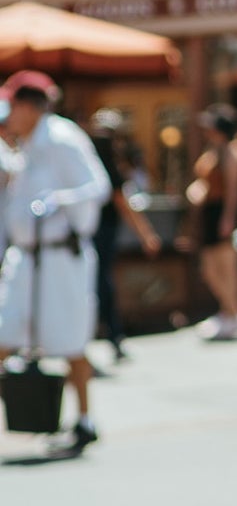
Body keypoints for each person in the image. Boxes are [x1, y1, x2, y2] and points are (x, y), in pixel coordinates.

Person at [0, 72, 111, 453]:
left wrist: (58, 199)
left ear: (29, 107)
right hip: (25, 258)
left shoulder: (62, 137)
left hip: (60, 257)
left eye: (11, 106)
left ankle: (84, 419)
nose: (7, 115)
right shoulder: (25, 144)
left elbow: (98, 187)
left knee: (69, 340)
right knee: (5, 332)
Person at [87, 109, 162, 361]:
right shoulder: (103, 163)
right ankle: (110, 335)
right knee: (100, 286)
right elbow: (123, 203)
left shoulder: (93, 161)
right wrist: (146, 234)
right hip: (96, 234)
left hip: (91, 235)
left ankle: (107, 336)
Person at [187, 104, 237, 340]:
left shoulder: (232, 152)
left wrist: (228, 218)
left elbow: (234, 190)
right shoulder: (213, 149)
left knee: (225, 268)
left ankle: (235, 313)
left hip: (222, 212)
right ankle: (232, 312)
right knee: (211, 269)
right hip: (209, 212)